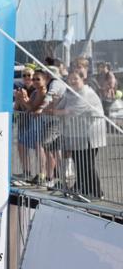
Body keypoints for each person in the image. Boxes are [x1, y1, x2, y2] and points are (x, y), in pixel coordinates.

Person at [48, 70, 106, 198]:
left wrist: (56, 111)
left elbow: (72, 111)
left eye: (75, 79)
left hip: (90, 136)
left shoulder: (87, 93)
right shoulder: (70, 93)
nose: (72, 81)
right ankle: (82, 189)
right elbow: (58, 108)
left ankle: (96, 192)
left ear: (82, 79)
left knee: (87, 164)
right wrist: (55, 104)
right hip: (75, 135)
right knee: (79, 164)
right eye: (70, 79)